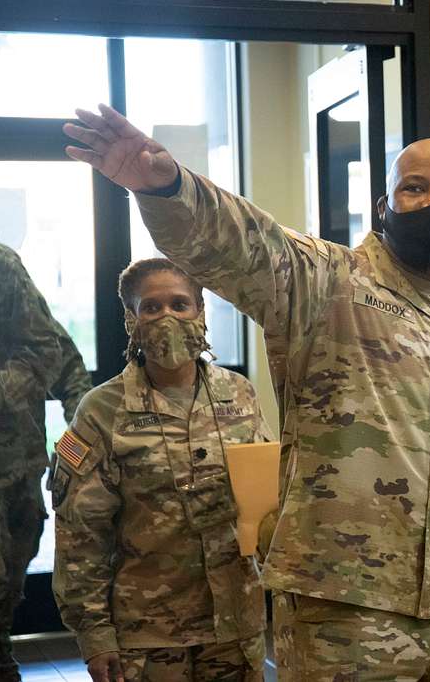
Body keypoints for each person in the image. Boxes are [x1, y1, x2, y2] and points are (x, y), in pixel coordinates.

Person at [63, 105, 430, 681]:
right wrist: (168, 187)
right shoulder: (326, 283)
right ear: (385, 206)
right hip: (345, 610)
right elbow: (245, 244)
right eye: (414, 188)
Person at [52, 258, 273, 682]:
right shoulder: (102, 410)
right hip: (147, 633)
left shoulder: (239, 395)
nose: (167, 317)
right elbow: (81, 533)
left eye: (180, 304)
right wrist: (95, 633)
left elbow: (264, 502)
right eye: (151, 308)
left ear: (201, 310)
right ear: (131, 320)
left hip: (235, 624)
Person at [0, 241, 91, 682]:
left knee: (4, 586)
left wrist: (75, 453)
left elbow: (54, 355)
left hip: (9, 464)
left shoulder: (2, 268)